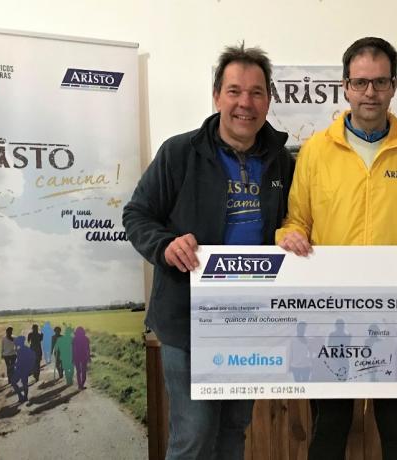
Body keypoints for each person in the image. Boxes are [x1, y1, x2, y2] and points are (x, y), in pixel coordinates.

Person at [276, 37, 397, 460]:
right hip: (329, 321)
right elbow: (296, 220)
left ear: (394, 85)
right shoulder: (315, 152)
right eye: (360, 83)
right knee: (328, 433)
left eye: (379, 82)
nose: (370, 93)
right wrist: (286, 235)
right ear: (345, 87)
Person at [123, 43, 294, 460]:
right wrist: (165, 245)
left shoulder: (284, 164)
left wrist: (293, 234)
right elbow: (137, 215)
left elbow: (296, 223)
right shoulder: (179, 153)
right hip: (187, 319)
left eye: (256, 92)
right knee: (195, 436)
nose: (245, 103)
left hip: (252, 321)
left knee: (233, 432)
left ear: (268, 100)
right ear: (217, 95)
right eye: (235, 91)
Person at [10, 336, 35, 403]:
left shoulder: (21, 350)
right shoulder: (24, 349)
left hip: (22, 369)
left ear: (20, 342)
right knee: (22, 383)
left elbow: (21, 361)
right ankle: (23, 396)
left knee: (15, 382)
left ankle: (22, 396)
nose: (16, 343)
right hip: (23, 369)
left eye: (17, 342)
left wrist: (14, 365)